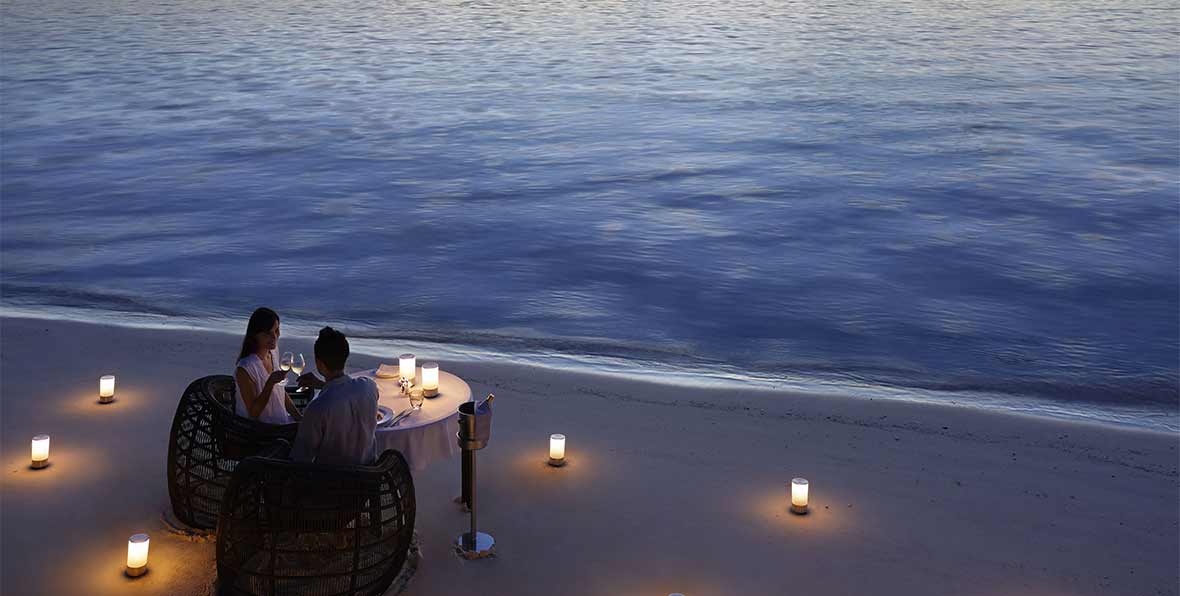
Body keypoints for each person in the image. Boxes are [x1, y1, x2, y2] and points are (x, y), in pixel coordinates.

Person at [291, 326, 378, 465]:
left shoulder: (317, 408)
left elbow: (301, 457)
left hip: (332, 477)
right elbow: (344, 394)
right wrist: (322, 385)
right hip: (370, 472)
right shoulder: (369, 387)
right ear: (346, 356)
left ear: (319, 364)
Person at [233, 307, 301, 424]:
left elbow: (280, 392)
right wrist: (269, 384)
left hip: (281, 423)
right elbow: (253, 413)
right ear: (255, 335)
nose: (274, 336)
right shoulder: (245, 368)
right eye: (268, 333)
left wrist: (299, 417)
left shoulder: (273, 352)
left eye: (276, 330)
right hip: (260, 429)